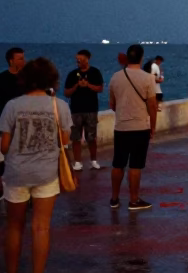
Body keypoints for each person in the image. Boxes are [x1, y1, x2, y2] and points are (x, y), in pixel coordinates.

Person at [0, 57, 71, 273]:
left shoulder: (12, 106)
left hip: (16, 173)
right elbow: (66, 140)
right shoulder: (59, 106)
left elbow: (4, 145)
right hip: (46, 174)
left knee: (14, 228)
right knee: (41, 228)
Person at [107, 44, 157, 211]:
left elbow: (112, 104)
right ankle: (134, 200)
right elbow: (152, 105)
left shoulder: (115, 77)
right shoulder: (148, 78)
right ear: (142, 58)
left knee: (118, 164)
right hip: (140, 127)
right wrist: (153, 127)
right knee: (135, 165)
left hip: (121, 127)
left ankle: (114, 198)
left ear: (128, 57)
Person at [0, 47, 27, 202]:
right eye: (20, 58)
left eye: (23, 58)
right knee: (3, 158)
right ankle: (2, 188)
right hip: (4, 126)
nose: (23, 61)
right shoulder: (0, 79)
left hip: (23, 125)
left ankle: (24, 189)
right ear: (11, 60)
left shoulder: (27, 80)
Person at [63, 49, 104, 172]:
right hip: (76, 109)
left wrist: (88, 86)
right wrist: (77, 86)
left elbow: (100, 88)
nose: (78, 62)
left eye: (81, 59)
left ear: (87, 59)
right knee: (76, 137)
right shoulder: (72, 75)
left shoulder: (95, 72)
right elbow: (66, 93)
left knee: (91, 137)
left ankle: (94, 160)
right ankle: (77, 162)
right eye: (77, 60)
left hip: (91, 109)